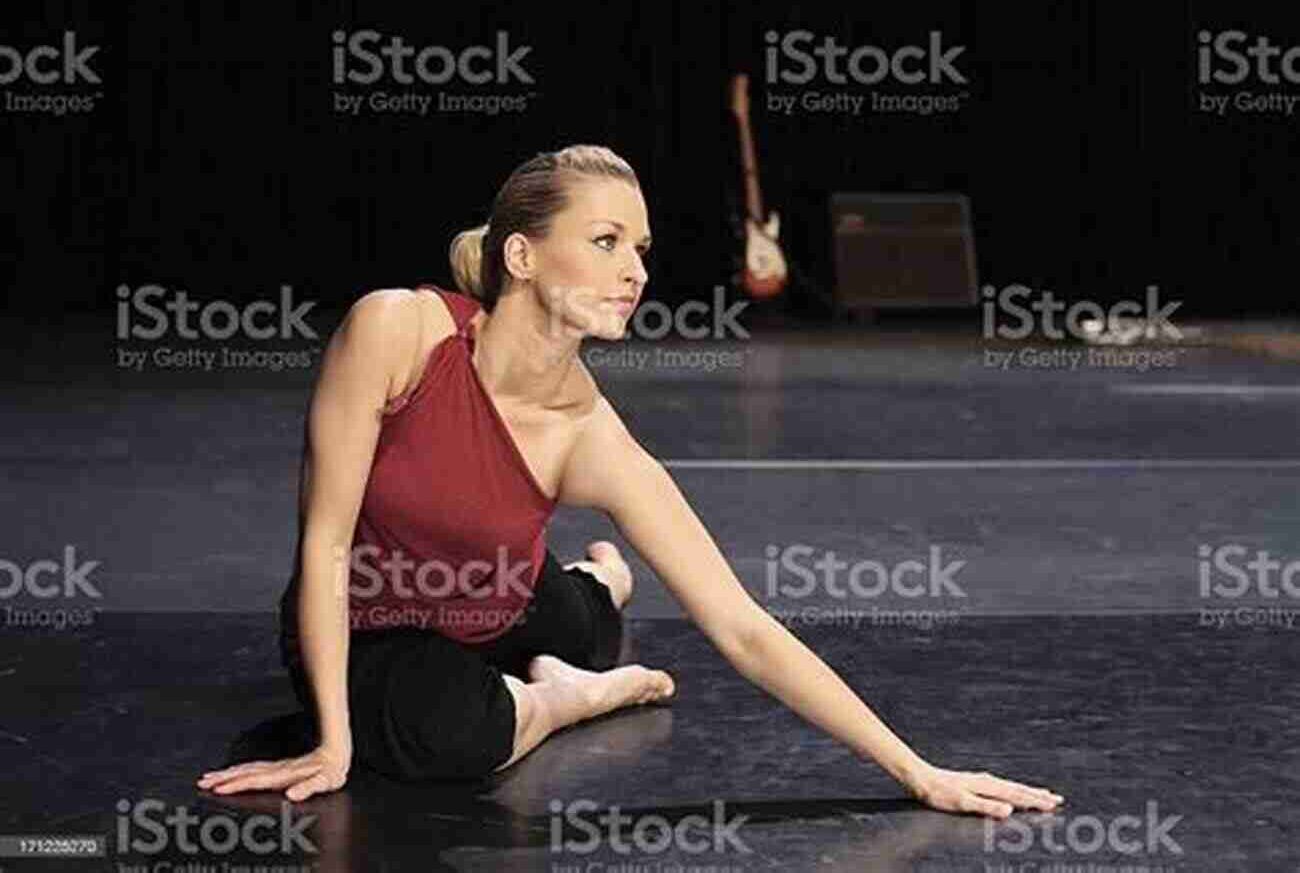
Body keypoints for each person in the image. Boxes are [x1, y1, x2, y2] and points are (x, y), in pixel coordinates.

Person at [197, 144, 1064, 819]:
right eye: (606, 243)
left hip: (501, 591)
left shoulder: (593, 438)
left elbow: (741, 627)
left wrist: (917, 770)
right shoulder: (396, 331)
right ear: (523, 257)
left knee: (579, 619)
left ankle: (596, 588)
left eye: (641, 248)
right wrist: (336, 743)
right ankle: (575, 697)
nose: (636, 270)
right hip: (375, 619)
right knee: (446, 738)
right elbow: (324, 539)